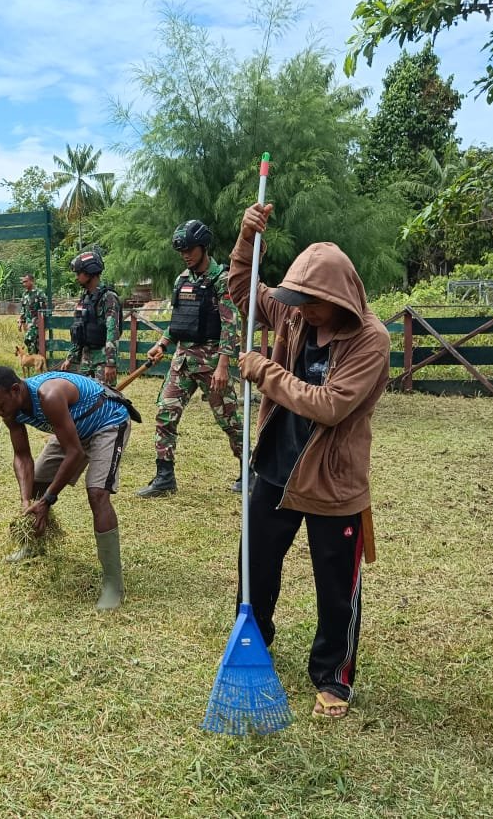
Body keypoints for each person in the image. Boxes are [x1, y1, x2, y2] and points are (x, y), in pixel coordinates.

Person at [228, 202, 389, 720]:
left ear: (335, 298)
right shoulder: (295, 312)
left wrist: (264, 372)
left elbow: (330, 404)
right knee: (254, 568)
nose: (299, 310)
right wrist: (245, 240)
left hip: (332, 480)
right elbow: (243, 292)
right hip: (276, 465)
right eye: (295, 301)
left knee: (335, 584)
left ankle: (333, 675)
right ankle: (252, 647)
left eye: (309, 303)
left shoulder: (370, 340)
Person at [0, 365, 133, 611]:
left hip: (107, 423)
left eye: (0, 405)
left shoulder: (48, 396)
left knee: (97, 494)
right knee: (37, 479)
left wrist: (48, 500)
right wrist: (26, 500)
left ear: (15, 390)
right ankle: (33, 544)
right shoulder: (11, 409)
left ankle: (113, 584)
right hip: (71, 429)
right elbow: (21, 456)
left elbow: (74, 453)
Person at [136, 220, 245, 498]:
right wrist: (162, 343)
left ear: (203, 247)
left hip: (211, 362)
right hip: (182, 360)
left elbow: (231, 325)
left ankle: (250, 472)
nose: (185, 255)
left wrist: (223, 366)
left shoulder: (222, 280)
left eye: (190, 249)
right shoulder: (182, 279)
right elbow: (179, 320)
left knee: (230, 420)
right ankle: (164, 476)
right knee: (164, 413)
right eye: (182, 250)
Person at [60, 250, 120, 385]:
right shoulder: (85, 298)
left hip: (102, 360)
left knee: (105, 400)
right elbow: (79, 330)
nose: (76, 277)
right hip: (85, 360)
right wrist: (70, 358)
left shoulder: (108, 297)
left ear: (89, 272)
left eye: (78, 273)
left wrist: (110, 363)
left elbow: (112, 331)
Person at [18, 273, 48, 355]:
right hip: (28, 322)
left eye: (26, 281)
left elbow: (45, 308)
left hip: (37, 322)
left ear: (31, 281)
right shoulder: (25, 294)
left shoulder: (39, 293)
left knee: (28, 339)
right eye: (23, 282)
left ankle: (32, 359)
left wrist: (41, 322)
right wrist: (21, 320)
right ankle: (36, 361)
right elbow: (23, 309)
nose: (24, 284)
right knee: (35, 343)